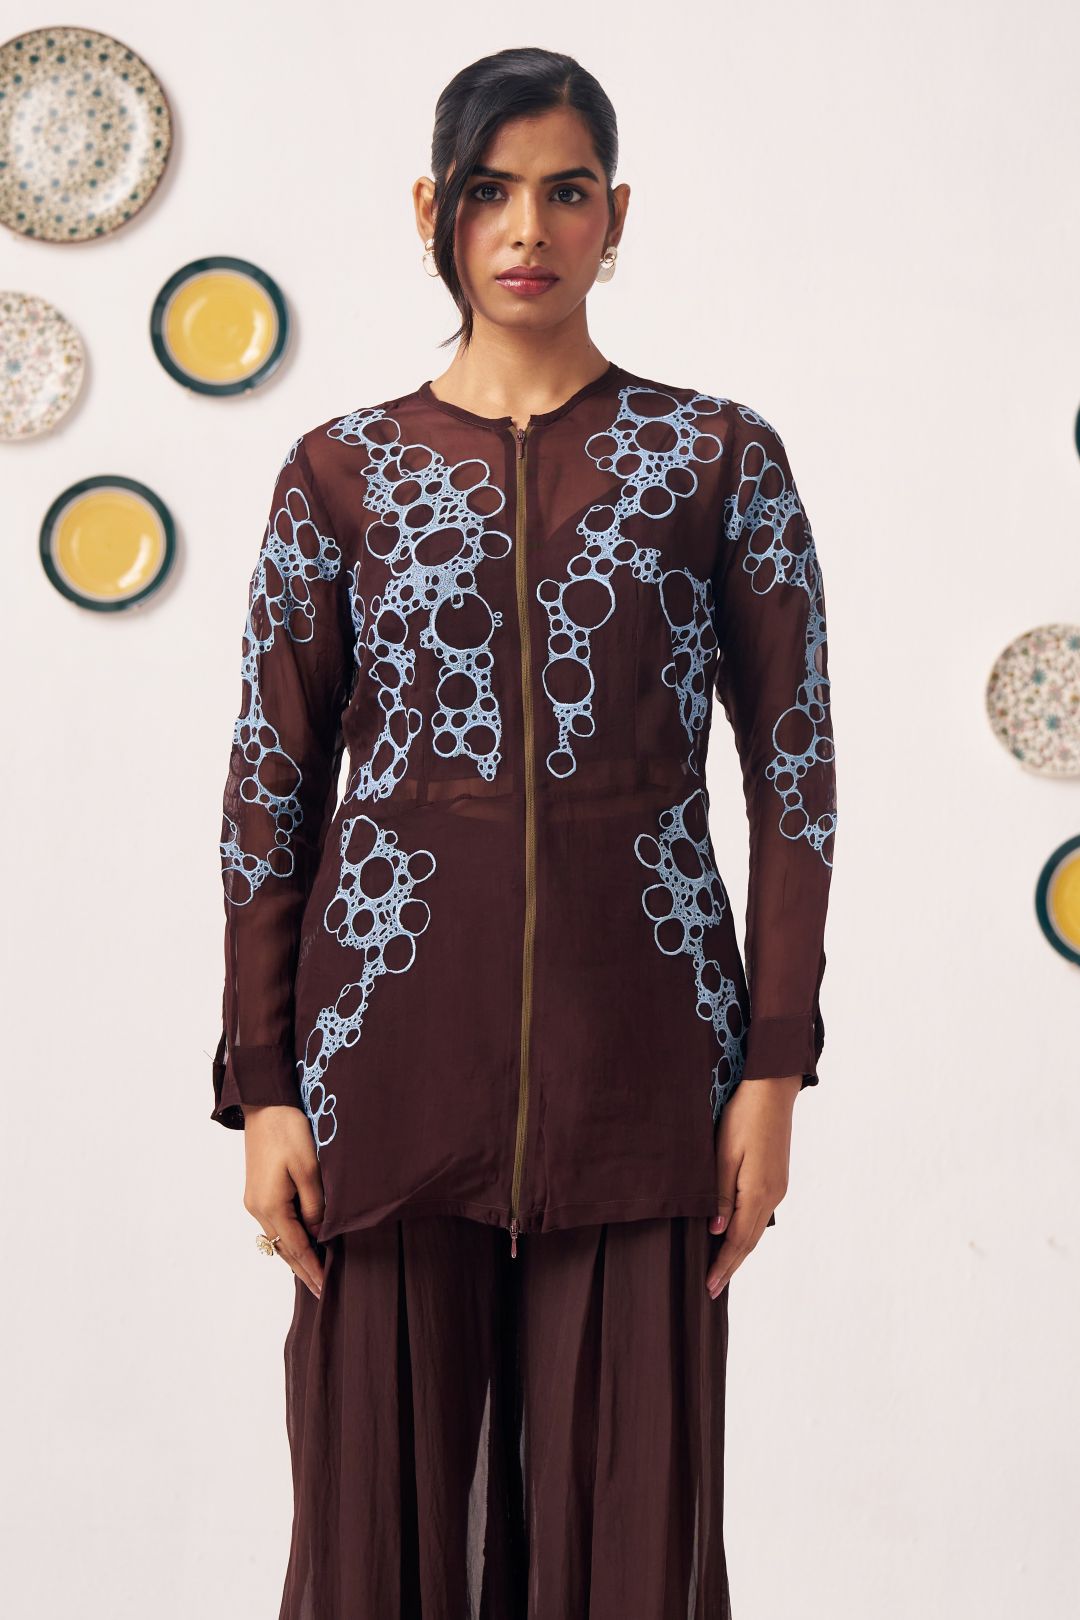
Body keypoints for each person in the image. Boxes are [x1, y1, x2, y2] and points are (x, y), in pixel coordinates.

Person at [210, 44, 837, 1620]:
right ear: (433, 209)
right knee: (376, 1537)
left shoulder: (717, 459)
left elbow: (798, 776)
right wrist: (265, 1084)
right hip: (384, 1068)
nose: (526, 228)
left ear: (615, 214)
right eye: (490, 191)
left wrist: (774, 1066)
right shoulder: (340, 473)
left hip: (647, 1066)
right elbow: (268, 794)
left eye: (566, 192)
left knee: (633, 1534)